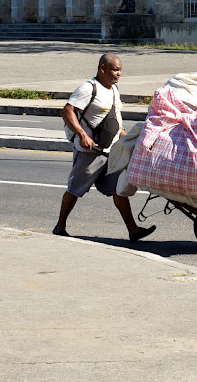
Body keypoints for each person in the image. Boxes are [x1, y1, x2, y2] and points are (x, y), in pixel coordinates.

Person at [53, 52, 156, 242]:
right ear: (102, 69)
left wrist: (130, 140)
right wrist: (82, 135)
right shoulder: (88, 88)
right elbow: (67, 111)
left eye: (120, 71)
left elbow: (114, 120)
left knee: (118, 188)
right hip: (90, 153)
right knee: (74, 190)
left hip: (110, 152)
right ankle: (60, 227)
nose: (119, 74)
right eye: (115, 70)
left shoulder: (113, 90)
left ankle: (133, 230)